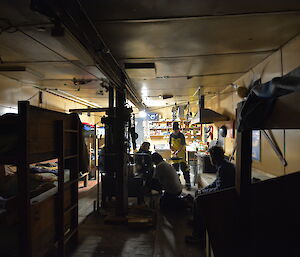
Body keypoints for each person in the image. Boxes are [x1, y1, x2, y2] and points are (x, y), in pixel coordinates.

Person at [185, 146, 236, 246]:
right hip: (224, 193)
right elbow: (216, 183)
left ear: (215, 157)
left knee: (198, 200)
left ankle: (199, 236)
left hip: (225, 196)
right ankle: (196, 223)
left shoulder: (223, 168)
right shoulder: (223, 165)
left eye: (211, 156)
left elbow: (219, 188)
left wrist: (204, 193)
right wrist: (204, 190)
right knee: (198, 194)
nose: (210, 159)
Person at [169, 122, 191, 190]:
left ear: (179, 129)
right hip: (174, 154)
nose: (175, 132)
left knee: (184, 168)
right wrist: (172, 150)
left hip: (181, 154)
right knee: (175, 170)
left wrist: (177, 152)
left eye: (176, 130)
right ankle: (177, 183)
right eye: (174, 130)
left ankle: (187, 183)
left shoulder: (181, 135)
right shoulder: (171, 135)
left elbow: (182, 145)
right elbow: (170, 144)